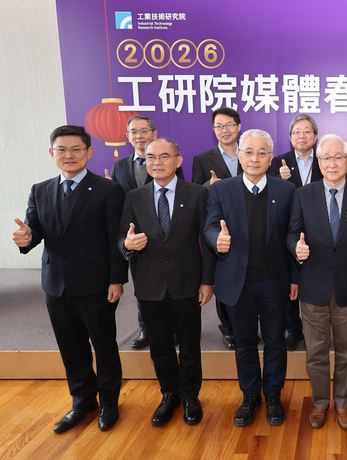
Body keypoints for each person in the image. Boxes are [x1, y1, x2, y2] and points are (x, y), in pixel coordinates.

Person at [12, 125, 128, 433]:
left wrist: (117, 279)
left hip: (96, 283)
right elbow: (35, 230)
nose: (69, 155)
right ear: (52, 153)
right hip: (56, 284)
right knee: (71, 347)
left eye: (76, 149)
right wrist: (26, 238)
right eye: (62, 149)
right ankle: (82, 401)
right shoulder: (40, 189)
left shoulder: (108, 190)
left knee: (103, 345)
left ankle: (109, 403)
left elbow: (115, 239)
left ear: (89, 152)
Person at [118, 138, 215, 427]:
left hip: (187, 282)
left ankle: (191, 396)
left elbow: (207, 239)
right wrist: (127, 244)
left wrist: (207, 281)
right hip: (149, 285)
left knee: (189, 345)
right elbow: (122, 236)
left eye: (163, 156)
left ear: (178, 160)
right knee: (159, 346)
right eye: (150, 157)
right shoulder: (134, 196)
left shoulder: (197, 193)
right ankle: (169, 394)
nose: (156, 162)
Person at [204, 129, 297, 427]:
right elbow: (209, 227)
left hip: (274, 282)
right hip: (236, 283)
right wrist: (217, 239)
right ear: (239, 155)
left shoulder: (286, 190)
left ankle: (273, 395)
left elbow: (293, 234)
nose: (254, 158)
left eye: (261, 152)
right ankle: (250, 396)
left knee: (275, 342)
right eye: (248, 152)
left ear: (271, 157)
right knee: (244, 343)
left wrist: (295, 278)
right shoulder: (221, 190)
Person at [287, 134, 347, 430]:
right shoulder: (303, 194)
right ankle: (320, 403)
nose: (332, 163)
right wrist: (296, 248)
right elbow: (292, 233)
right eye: (326, 158)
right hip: (313, 287)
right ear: (319, 162)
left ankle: (342, 403)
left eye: (339, 157)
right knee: (315, 353)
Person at [107, 115, 183, 350]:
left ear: (154, 133)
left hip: (164, 230)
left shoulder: (168, 160)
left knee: (172, 284)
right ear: (127, 136)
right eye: (133, 132)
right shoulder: (120, 166)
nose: (138, 136)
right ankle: (146, 328)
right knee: (143, 286)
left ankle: (173, 328)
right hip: (135, 237)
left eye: (143, 131)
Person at [268, 114, 324, 350]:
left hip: (320, 229)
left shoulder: (325, 159)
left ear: (315, 136)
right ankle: (294, 330)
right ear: (290, 137)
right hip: (288, 231)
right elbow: (266, 193)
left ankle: (318, 331)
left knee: (318, 281)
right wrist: (278, 180)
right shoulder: (277, 163)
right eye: (296, 132)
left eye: (307, 131)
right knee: (288, 282)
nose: (302, 136)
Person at [192, 107, 242, 350]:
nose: (225, 130)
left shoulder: (251, 153)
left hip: (250, 225)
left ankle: (246, 327)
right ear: (213, 130)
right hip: (219, 228)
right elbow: (194, 193)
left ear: (238, 127)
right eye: (219, 126)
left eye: (229, 125)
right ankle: (228, 329)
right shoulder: (202, 159)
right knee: (224, 279)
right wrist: (208, 185)